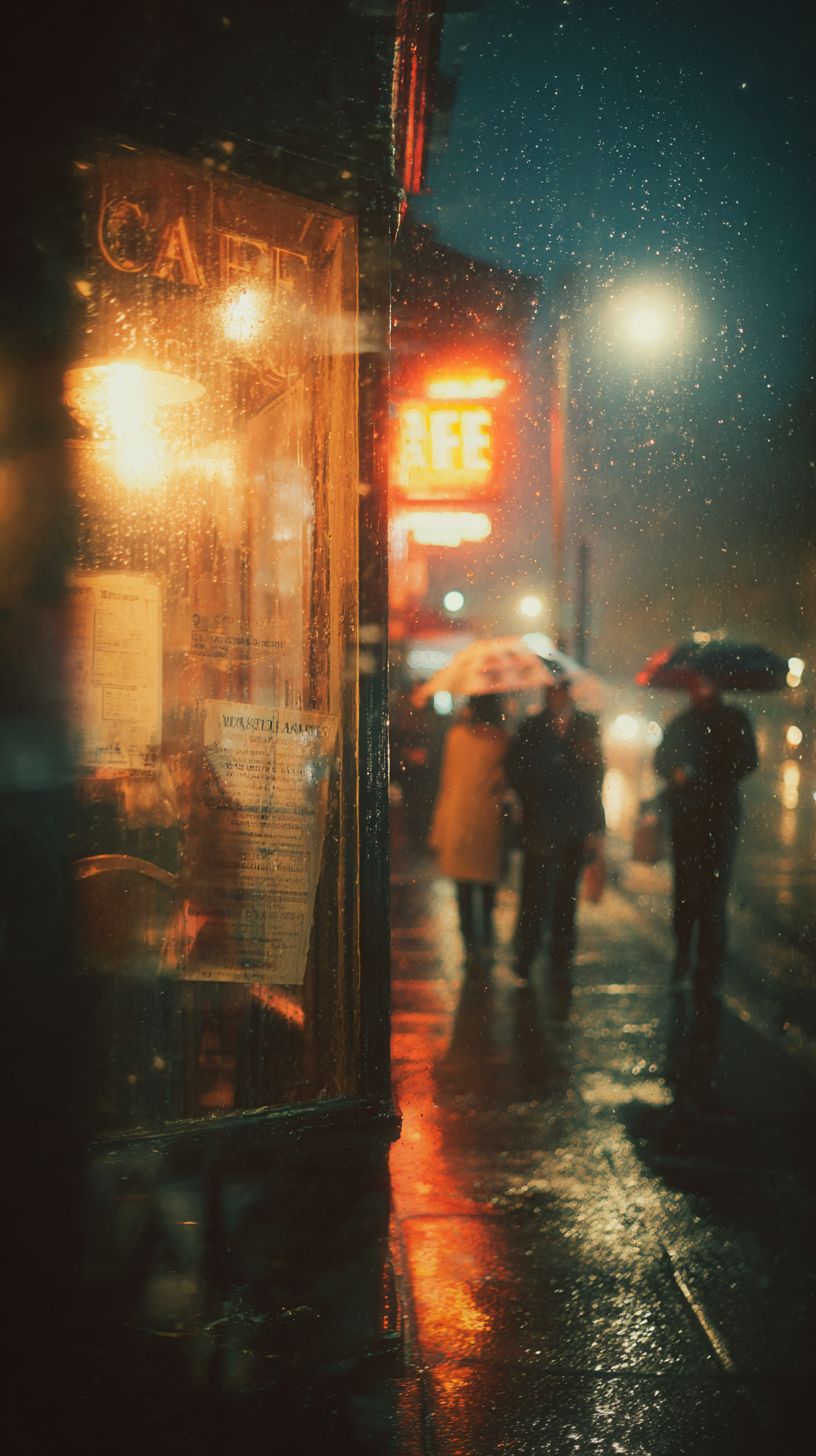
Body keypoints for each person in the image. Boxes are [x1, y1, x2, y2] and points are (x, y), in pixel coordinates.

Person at [654, 673, 758, 998]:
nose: (701, 689)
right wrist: (678, 770)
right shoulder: (683, 722)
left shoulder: (733, 720)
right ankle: (684, 955)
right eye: (697, 684)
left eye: (706, 683)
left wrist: (713, 775)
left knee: (713, 896)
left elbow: (747, 760)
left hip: (719, 818)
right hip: (687, 817)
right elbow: (660, 760)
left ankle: (709, 968)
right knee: (685, 892)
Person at [506, 676, 605, 979]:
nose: (555, 696)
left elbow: (595, 778)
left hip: (574, 824)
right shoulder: (531, 727)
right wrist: (533, 791)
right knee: (534, 893)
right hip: (540, 822)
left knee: (566, 894)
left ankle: (561, 954)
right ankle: (526, 953)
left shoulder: (586, 726)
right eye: (550, 690)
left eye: (559, 690)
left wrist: (594, 827)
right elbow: (515, 769)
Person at [428, 693, 509, 963]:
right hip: (487, 818)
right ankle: (486, 942)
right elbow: (504, 782)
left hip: (458, 816)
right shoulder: (501, 740)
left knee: (462, 887)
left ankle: (469, 946)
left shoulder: (456, 736)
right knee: (487, 887)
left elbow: (446, 779)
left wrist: (438, 826)